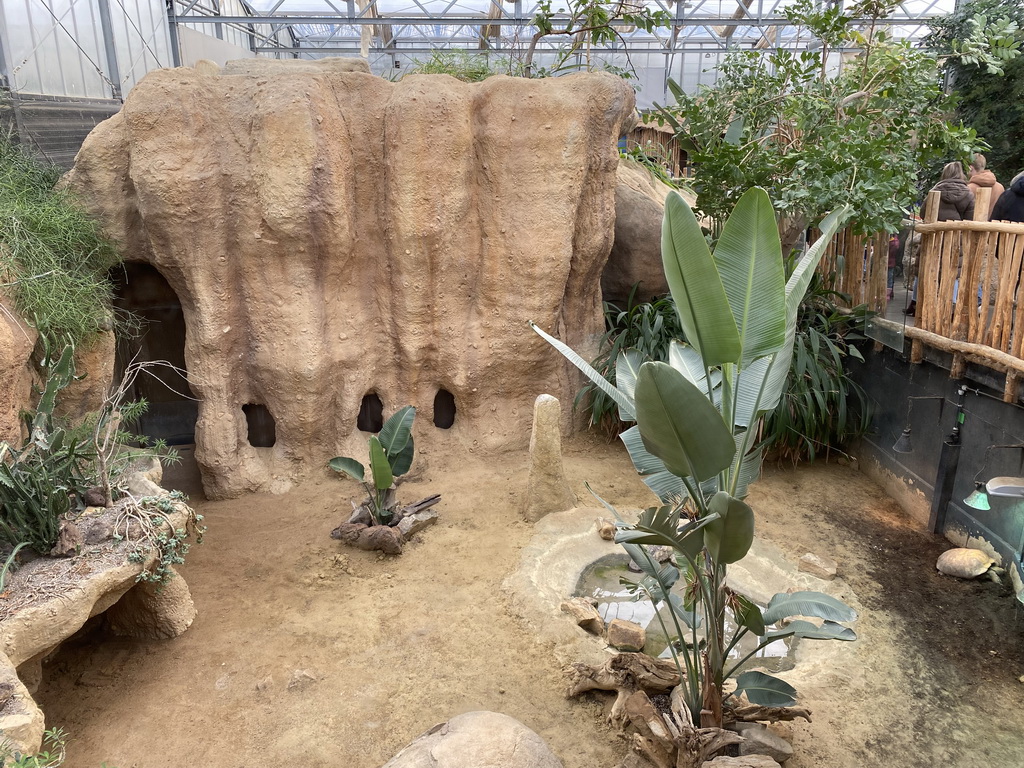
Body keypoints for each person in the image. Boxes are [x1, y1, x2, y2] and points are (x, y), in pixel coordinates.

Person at [906, 163, 975, 316]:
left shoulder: (933, 192)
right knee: (953, 272)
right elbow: (970, 219)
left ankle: (916, 302)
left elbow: (924, 214)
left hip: (932, 238)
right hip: (955, 239)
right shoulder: (969, 195)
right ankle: (952, 305)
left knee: (922, 269)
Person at [967, 154, 1005, 219]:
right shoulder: (1000, 187)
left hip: (973, 227)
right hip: (994, 227)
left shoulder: (969, 188)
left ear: (970, 168)